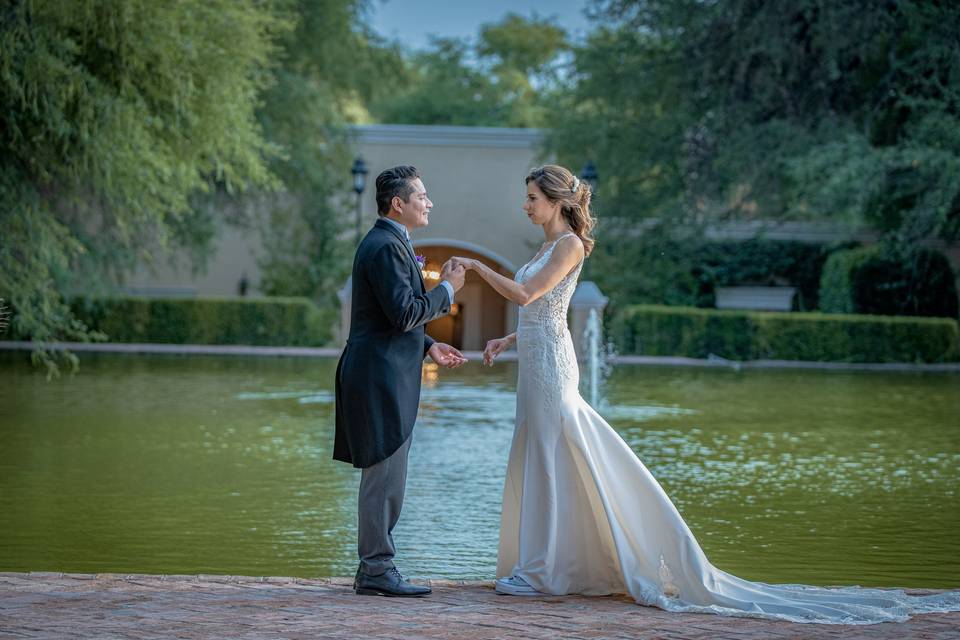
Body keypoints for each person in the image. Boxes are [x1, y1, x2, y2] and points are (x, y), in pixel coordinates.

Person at [448, 164, 960, 623]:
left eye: (532, 197)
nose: (526, 205)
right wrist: (508, 336)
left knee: (554, 453)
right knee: (542, 456)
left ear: (556, 201)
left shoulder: (568, 246)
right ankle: (551, 565)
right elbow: (542, 312)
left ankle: (544, 572)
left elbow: (525, 294)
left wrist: (473, 266)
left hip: (552, 371)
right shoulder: (543, 245)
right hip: (536, 359)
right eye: (527, 197)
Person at [334, 165, 467, 598]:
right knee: (384, 476)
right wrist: (447, 290)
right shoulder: (386, 246)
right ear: (399, 203)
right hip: (379, 379)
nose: (428, 203)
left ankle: (376, 567)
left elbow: (395, 315)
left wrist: (428, 345)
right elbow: (405, 312)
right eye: (422, 196)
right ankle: (375, 569)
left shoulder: (390, 243)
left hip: (384, 373)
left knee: (388, 474)